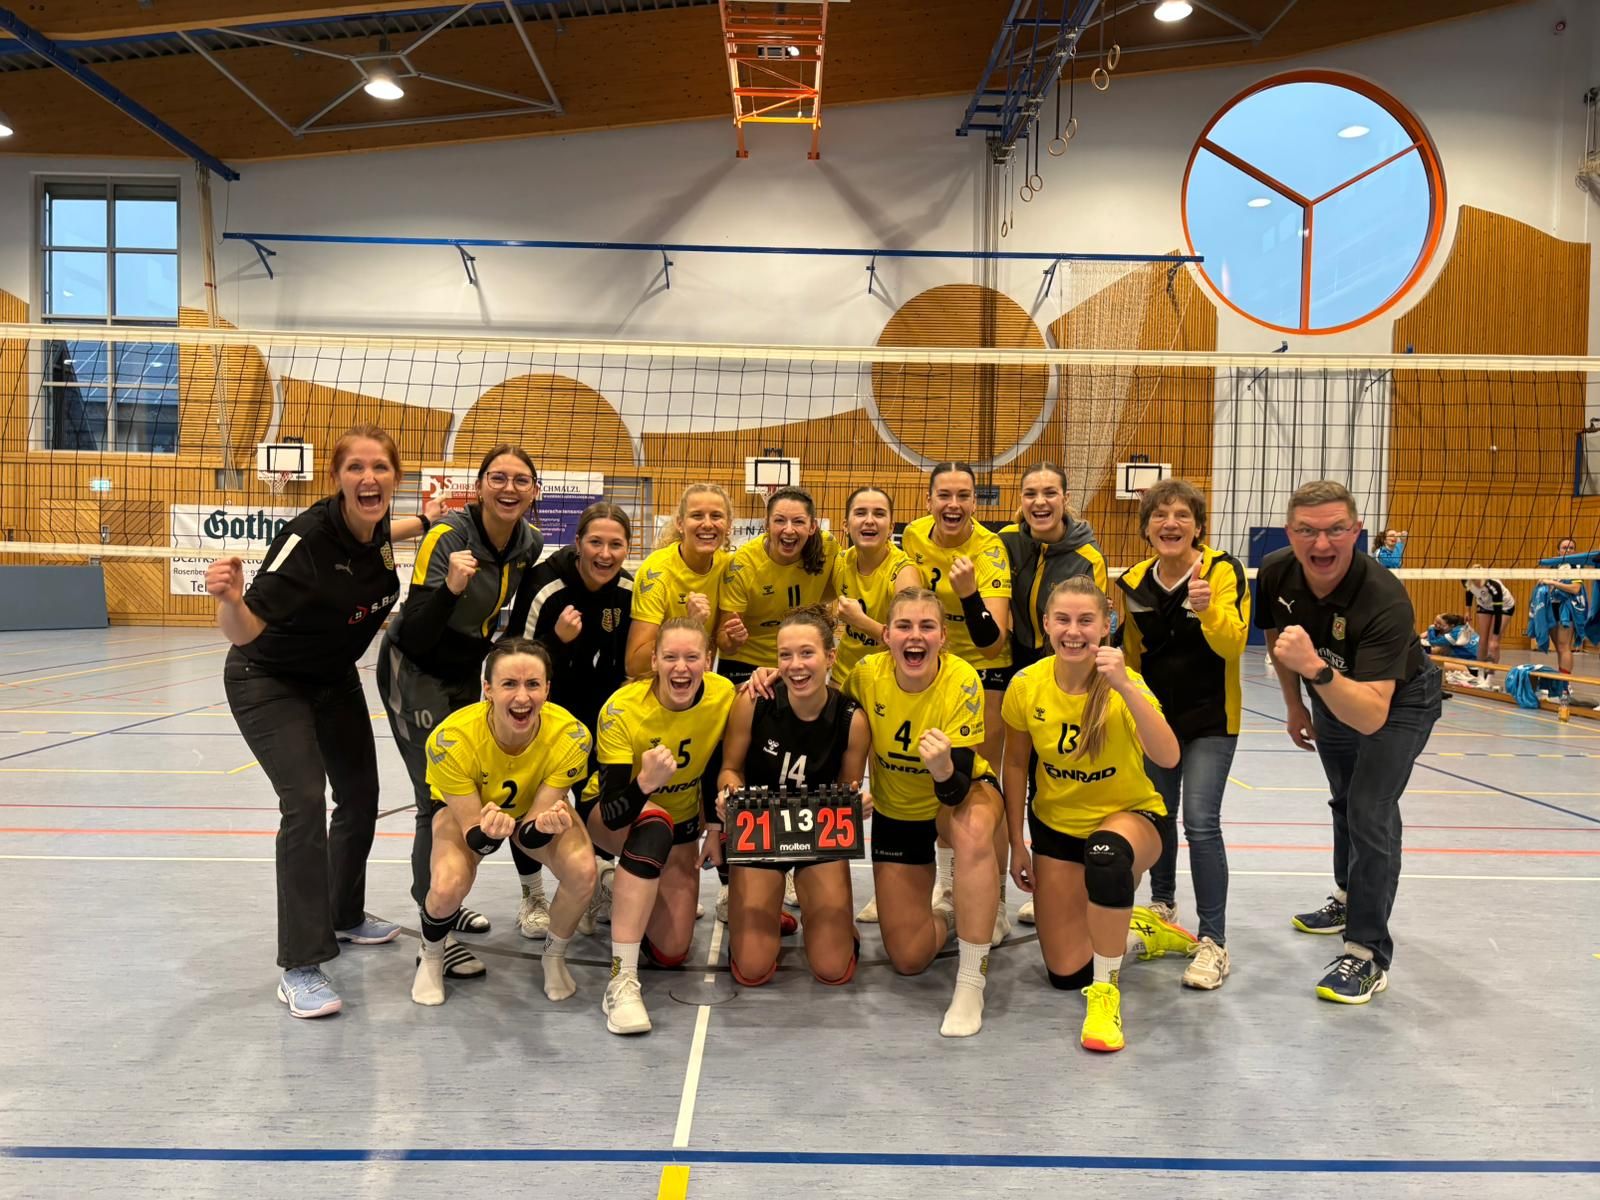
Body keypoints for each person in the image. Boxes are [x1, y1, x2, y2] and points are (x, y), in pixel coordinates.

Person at [206, 424, 427, 1019]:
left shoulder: (376, 523)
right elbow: (246, 632)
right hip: (267, 678)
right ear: (336, 478)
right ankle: (300, 966)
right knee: (304, 801)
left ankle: (344, 915)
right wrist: (229, 600)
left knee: (360, 794)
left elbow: (386, 533)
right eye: (355, 468)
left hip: (332, 677)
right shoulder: (304, 541)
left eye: (380, 467)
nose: (368, 478)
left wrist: (433, 519)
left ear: (395, 478)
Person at [1257, 480, 1442, 1005]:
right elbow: (1277, 636)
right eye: (1307, 531)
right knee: (1344, 800)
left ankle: (1366, 953)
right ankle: (1347, 896)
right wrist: (1294, 703)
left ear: (1357, 531)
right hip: (1330, 692)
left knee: (1369, 810)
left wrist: (1315, 670)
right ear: (1289, 533)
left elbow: (1372, 714)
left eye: (1336, 529)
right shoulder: (1275, 571)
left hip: (1398, 701)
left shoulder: (1383, 596)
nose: (1322, 544)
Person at [1002, 577, 1191, 1051]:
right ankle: (1139, 932)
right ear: (1046, 624)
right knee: (1065, 973)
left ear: (1106, 625)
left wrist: (1124, 685)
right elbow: (1015, 765)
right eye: (1063, 620)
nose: (1074, 631)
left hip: (1130, 819)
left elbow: (1168, 757)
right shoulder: (1026, 685)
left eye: (1086, 620)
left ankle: (1106, 995)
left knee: (1106, 856)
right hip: (1057, 830)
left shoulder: (1124, 684)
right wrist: (1016, 843)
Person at [376, 445, 543, 981]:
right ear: (480, 485)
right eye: (498, 477)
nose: (509, 488)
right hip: (415, 670)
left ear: (534, 491)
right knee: (437, 798)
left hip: (468, 673)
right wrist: (451, 588)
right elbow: (417, 632)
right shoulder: (448, 536)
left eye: (521, 480)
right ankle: (436, 927)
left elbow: (515, 617)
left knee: (471, 791)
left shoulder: (529, 542)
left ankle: (444, 898)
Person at [843, 587, 1005, 1038]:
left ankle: (970, 982)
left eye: (927, 626)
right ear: (887, 636)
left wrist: (943, 769)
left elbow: (956, 788)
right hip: (897, 811)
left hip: (959, 793)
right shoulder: (866, 674)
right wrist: (771, 677)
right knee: (909, 958)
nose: (915, 636)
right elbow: (820, 705)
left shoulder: (961, 679)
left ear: (943, 638)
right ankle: (953, 912)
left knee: (971, 827)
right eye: (904, 626)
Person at [414, 639, 598, 1006]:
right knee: (447, 885)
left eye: (533, 684)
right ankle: (431, 956)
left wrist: (542, 826)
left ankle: (554, 956)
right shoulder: (450, 740)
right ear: (488, 689)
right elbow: (476, 838)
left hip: (530, 809)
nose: (522, 697)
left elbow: (529, 834)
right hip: (472, 816)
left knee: (583, 870)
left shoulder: (572, 735)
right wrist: (489, 834)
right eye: (509, 684)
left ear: (548, 688)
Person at [1116, 478, 1248, 990]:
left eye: (1182, 516)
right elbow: (1132, 655)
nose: (1170, 523)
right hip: (1157, 722)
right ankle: (1162, 906)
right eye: (1159, 515)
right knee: (1158, 815)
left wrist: (1207, 608)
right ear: (1146, 527)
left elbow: (1233, 645)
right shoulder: (1133, 582)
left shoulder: (1222, 571)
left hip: (1211, 720)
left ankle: (1214, 941)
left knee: (1201, 822)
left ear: (1198, 526)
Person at [579, 618, 735, 1035]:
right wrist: (646, 783)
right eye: (670, 657)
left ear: (708, 660)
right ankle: (621, 981)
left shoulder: (723, 694)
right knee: (653, 825)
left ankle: (610, 886)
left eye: (691, 657)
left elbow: (716, 764)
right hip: (613, 814)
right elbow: (614, 811)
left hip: (682, 823)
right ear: (654, 661)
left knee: (672, 951)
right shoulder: (622, 710)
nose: (681, 668)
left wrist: (714, 829)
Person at [717, 610, 871, 987]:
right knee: (752, 968)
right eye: (785, 655)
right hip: (760, 829)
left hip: (817, 835)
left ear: (830, 657)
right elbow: (730, 768)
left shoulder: (851, 719)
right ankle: (768, 914)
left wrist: (858, 805)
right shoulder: (754, 701)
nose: (795, 665)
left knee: (832, 968)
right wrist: (728, 792)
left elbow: (847, 791)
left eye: (806, 653)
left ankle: (833, 926)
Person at [509, 501, 635, 938]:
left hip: (602, 714)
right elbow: (514, 659)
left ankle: (597, 883)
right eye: (596, 542)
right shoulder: (545, 586)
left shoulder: (628, 590)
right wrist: (557, 640)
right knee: (535, 802)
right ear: (578, 543)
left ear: (627, 548)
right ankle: (532, 895)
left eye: (616, 545)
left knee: (599, 798)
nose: (605, 554)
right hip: (546, 712)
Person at [901, 463, 1013, 942]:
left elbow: (993, 641)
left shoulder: (990, 549)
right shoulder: (913, 536)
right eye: (944, 495)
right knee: (936, 783)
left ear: (974, 501)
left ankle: (999, 902)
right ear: (928, 500)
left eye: (963, 495)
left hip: (984, 673)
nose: (953, 504)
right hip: (931, 670)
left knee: (982, 789)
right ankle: (947, 889)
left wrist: (969, 595)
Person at [999, 461, 1106, 926]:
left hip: (1067, 667)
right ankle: (1042, 875)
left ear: (1065, 499)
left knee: (1061, 772)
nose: (1040, 502)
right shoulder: (1007, 542)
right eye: (1030, 493)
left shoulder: (1087, 556)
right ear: (1020, 500)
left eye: (1049, 493)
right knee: (1024, 771)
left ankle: (1085, 877)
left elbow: (1093, 624)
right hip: (1017, 664)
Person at [830, 485, 920, 926]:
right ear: (846, 522)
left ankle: (898, 888)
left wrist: (859, 621)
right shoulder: (839, 562)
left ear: (891, 523)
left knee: (885, 781)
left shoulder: (903, 571)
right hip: (844, 683)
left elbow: (912, 637)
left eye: (879, 513)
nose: (869, 520)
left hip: (887, 684)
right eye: (861, 513)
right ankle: (817, 866)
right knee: (836, 780)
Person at [717, 485, 839, 687]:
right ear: (767, 524)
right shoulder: (742, 566)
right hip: (747, 661)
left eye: (798, 521)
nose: (788, 530)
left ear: (812, 526)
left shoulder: (827, 547)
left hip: (798, 658)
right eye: (780, 520)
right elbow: (725, 643)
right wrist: (733, 639)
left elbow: (837, 587)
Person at [625, 484, 733, 679]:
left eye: (716, 516)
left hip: (697, 681)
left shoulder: (729, 568)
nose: (707, 524)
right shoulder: (656, 571)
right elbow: (635, 665)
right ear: (680, 523)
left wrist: (733, 639)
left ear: (729, 525)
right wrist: (689, 624)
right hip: (655, 683)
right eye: (697, 516)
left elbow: (724, 644)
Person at [1539, 537, 1586, 679]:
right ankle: (1561, 681)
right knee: (1559, 648)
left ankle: (1565, 684)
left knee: (1564, 647)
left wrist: (1553, 583)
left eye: (1571, 548)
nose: (1568, 550)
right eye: (1565, 548)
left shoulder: (1575, 566)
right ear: (1558, 551)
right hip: (1553, 607)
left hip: (1567, 608)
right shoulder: (1554, 566)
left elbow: (1575, 588)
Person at [1463, 567, 1514, 669]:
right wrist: (1467, 610)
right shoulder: (1466, 580)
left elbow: (1498, 613)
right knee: (1482, 641)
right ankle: (1480, 672)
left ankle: (1490, 675)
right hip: (1484, 605)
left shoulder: (1494, 586)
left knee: (1493, 644)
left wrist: (1495, 637)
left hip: (1503, 607)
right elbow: (1469, 591)